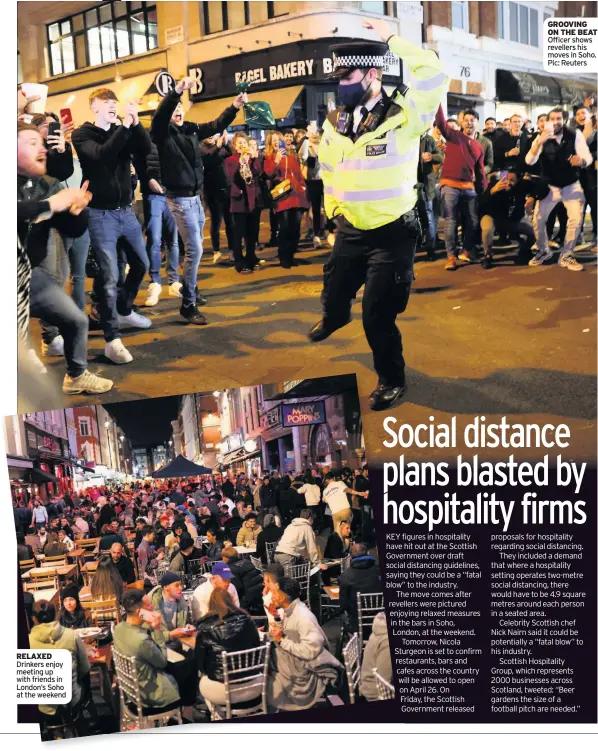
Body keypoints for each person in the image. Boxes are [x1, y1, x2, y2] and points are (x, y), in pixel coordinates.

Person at [309, 19, 446, 411]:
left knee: (376, 316)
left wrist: (391, 39)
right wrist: (333, 208)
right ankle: (335, 317)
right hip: (351, 228)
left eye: (347, 75)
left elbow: (433, 71)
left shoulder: (406, 112)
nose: (341, 83)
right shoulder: (337, 119)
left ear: (373, 73)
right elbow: (329, 166)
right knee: (334, 287)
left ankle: (391, 379)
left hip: (392, 233)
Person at [17, 123, 113, 395]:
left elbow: (73, 229)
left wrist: (76, 209)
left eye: (41, 142)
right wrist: (51, 205)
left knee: (76, 320)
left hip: (29, 276)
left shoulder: (46, 185)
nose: (42, 148)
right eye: (32, 142)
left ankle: (76, 375)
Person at [150, 76, 244, 325]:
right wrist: (176, 92)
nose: (178, 111)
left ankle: (191, 290)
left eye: (181, 108)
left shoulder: (190, 129)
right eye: (175, 108)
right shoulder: (161, 133)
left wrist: (235, 106)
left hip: (196, 198)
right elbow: (160, 117)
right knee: (195, 249)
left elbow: (215, 125)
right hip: (179, 200)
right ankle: (188, 303)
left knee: (194, 251)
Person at [72, 89, 152, 365]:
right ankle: (112, 339)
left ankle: (124, 308)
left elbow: (146, 149)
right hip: (100, 215)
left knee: (141, 265)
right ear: (93, 107)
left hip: (126, 212)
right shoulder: (83, 135)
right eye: (105, 103)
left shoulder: (123, 128)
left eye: (113, 103)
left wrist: (136, 121)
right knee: (108, 278)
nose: (111, 107)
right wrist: (125, 127)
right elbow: (103, 156)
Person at [525, 106, 593, 271]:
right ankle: (543, 250)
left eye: (558, 119)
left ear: (564, 120)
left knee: (575, 220)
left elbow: (587, 157)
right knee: (538, 219)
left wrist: (582, 161)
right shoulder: (540, 137)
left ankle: (567, 254)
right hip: (551, 186)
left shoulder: (574, 134)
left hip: (571, 184)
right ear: (547, 121)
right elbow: (529, 160)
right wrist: (539, 142)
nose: (555, 122)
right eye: (552, 119)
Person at [267, 578, 343, 711]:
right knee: (267, 655)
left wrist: (281, 641)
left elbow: (310, 651)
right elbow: (290, 633)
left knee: (266, 667)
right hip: (296, 658)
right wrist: (276, 617)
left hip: (305, 670)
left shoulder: (303, 617)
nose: (271, 596)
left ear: (283, 596)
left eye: (274, 593)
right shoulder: (291, 609)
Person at [435, 105, 487, 270]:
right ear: (461, 122)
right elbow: (441, 124)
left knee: (472, 221)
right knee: (451, 221)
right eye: (466, 120)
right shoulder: (454, 136)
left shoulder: (479, 146)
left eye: (472, 120)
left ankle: (465, 250)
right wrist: (437, 102)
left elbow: (480, 172)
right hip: (449, 184)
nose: (469, 123)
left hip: (469, 188)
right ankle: (451, 256)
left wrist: (484, 190)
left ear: (477, 123)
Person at [113, 589, 181, 711]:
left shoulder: (118, 629)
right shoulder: (141, 640)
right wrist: (157, 629)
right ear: (139, 612)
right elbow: (162, 662)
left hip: (133, 689)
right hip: (152, 695)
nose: (152, 607)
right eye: (149, 604)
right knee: (188, 667)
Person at [133, 140, 181, 307]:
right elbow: (137, 163)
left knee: (172, 240)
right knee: (154, 239)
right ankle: (155, 283)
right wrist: (147, 180)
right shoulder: (147, 142)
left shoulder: (175, 140)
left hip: (172, 195)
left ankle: (174, 281)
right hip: (153, 195)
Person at [195, 588, 262, 707]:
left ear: (210, 603)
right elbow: (257, 646)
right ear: (231, 601)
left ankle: (217, 716)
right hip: (254, 684)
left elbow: (200, 664)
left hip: (223, 689)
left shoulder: (205, 626)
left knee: (203, 683)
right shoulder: (247, 619)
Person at [29, 599, 91, 723]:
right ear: (56, 614)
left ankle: (55, 734)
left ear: (34, 619)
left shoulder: (28, 641)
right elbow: (84, 668)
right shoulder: (71, 635)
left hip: (43, 706)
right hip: (72, 700)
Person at [263, 130, 309, 268]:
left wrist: (303, 187)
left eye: (279, 140)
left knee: (295, 228)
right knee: (284, 228)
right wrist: (276, 160)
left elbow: (299, 175)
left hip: (296, 196)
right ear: (271, 144)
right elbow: (268, 174)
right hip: (282, 197)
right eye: (274, 140)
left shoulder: (291, 157)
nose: (277, 142)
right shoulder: (269, 157)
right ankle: (284, 257)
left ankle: (291, 255)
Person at [478, 170, 535, 269]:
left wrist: (532, 197)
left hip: (509, 221)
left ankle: (524, 250)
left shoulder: (520, 188)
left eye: (512, 180)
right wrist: (493, 191)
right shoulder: (496, 185)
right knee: (487, 228)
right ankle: (488, 255)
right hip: (492, 216)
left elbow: (540, 185)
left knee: (533, 230)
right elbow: (481, 203)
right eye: (507, 179)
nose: (508, 182)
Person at [224, 131, 263, 273]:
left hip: (253, 200)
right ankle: (239, 261)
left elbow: (258, 173)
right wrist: (241, 163)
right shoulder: (230, 160)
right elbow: (231, 179)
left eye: (244, 143)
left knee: (252, 232)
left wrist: (253, 159)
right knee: (238, 233)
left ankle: (251, 257)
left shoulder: (252, 159)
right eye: (239, 143)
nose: (242, 145)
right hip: (239, 200)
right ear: (234, 146)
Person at [200, 133, 235, 265]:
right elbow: (207, 162)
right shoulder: (201, 148)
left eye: (214, 134)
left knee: (230, 222)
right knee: (216, 222)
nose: (210, 136)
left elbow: (231, 156)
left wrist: (226, 143)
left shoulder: (223, 147)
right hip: (211, 191)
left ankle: (232, 250)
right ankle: (216, 251)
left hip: (226, 189)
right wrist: (218, 147)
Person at [338, 543, 381, 634]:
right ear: (368, 553)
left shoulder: (345, 576)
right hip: (381, 621)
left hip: (357, 624)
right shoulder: (378, 572)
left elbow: (343, 604)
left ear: (350, 558)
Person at [417, 130, 444, 254]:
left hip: (427, 183)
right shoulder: (407, 138)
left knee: (429, 215)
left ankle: (430, 247)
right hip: (409, 184)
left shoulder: (428, 140)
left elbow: (440, 157)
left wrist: (431, 157)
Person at [148, 571, 195, 642]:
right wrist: (171, 634)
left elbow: (185, 622)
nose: (181, 588)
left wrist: (187, 626)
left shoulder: (181, 602)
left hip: (178, 642)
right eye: (176, 585)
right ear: (166, 587)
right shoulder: (151, 605)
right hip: (160, 647)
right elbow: (151, 636)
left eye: (180, 585)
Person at [299, 128, 325, 247]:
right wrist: (306, 140)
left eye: (316, 133)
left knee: (325, 210)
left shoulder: (324, 145)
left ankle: (326, 231)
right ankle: (316, 235)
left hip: (324, 181)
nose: (314, 135)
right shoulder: (306, 146)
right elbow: (302, 157)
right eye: (312, 133)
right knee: (313, 210)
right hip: (311, 181)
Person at [359, 611, 392, 701]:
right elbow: (384, 682)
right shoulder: (386, 641)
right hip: (376, 694)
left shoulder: (380, 628)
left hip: (369, 686)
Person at [220, 546, 264, 612]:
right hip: (259, 593)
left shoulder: (230, 569)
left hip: (246, 599)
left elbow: (236, 588)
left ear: (225, 558)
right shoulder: (247, 561)